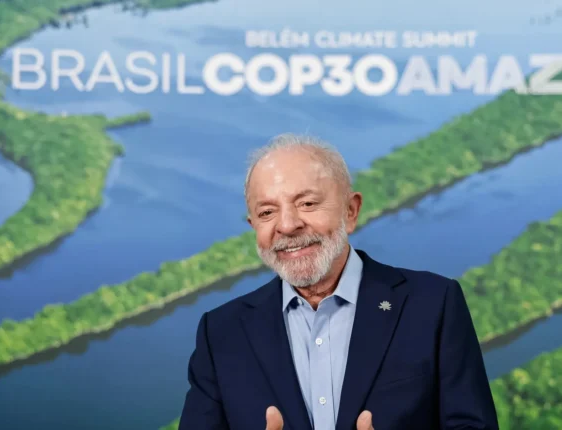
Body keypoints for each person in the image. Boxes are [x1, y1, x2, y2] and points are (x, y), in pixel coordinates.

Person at [178, 133, 499, 430]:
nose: (287, 225)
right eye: (267, 213)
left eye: (307, 203)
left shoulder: (433, 305)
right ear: (253, 227)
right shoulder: (220, 333)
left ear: (351, 211)